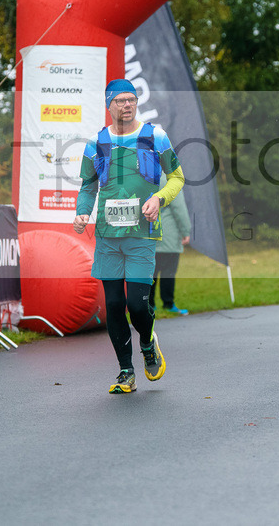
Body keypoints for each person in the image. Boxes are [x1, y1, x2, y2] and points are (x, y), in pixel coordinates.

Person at [73, 79, 185, 394]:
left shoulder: (156, 137)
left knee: (137, 304)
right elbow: (87, 186)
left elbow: (177, 177)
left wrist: (159, 198)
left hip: (142, 235)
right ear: (109, 105)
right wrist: (82, 212)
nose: (127, 104)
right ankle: (126, 371)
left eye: (131, 99)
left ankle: (148, 343)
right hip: (108, 238)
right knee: (114, 304)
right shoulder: (96, 144)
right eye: (120, 100)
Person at [150, 171, 192, 315]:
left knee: (151, 272)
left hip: (149, 233)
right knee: (168, 271)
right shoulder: (171, 182)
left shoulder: (145, 178)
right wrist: (186, 231)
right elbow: (179, 209)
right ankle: (168, 304)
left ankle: (150, 304)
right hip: (169, 235)